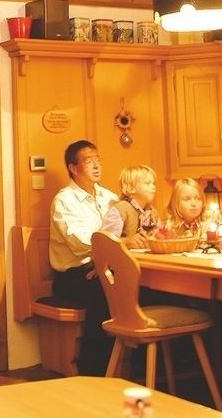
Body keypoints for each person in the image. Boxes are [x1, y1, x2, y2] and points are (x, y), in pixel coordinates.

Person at [48, 139, 118, 376]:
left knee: (139, 284)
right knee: (104, 287)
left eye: (98, 160)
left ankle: (136, 362)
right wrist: (117, 246)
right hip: (73, 275)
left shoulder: (110, 197)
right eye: (89, 161)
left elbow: (127, 229)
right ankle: (93, 368)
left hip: (106, 267)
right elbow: (81, 244)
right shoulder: (64, 200)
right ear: (73, 168)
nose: (97, 165)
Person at [101, 164, 158, 245]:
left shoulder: (153, 212)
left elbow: (158, 235)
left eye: (153, 183)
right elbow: (105, 242)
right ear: (131, 188)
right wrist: (125, 241)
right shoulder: (120, 210)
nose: (153, 187)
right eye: (148, 183)